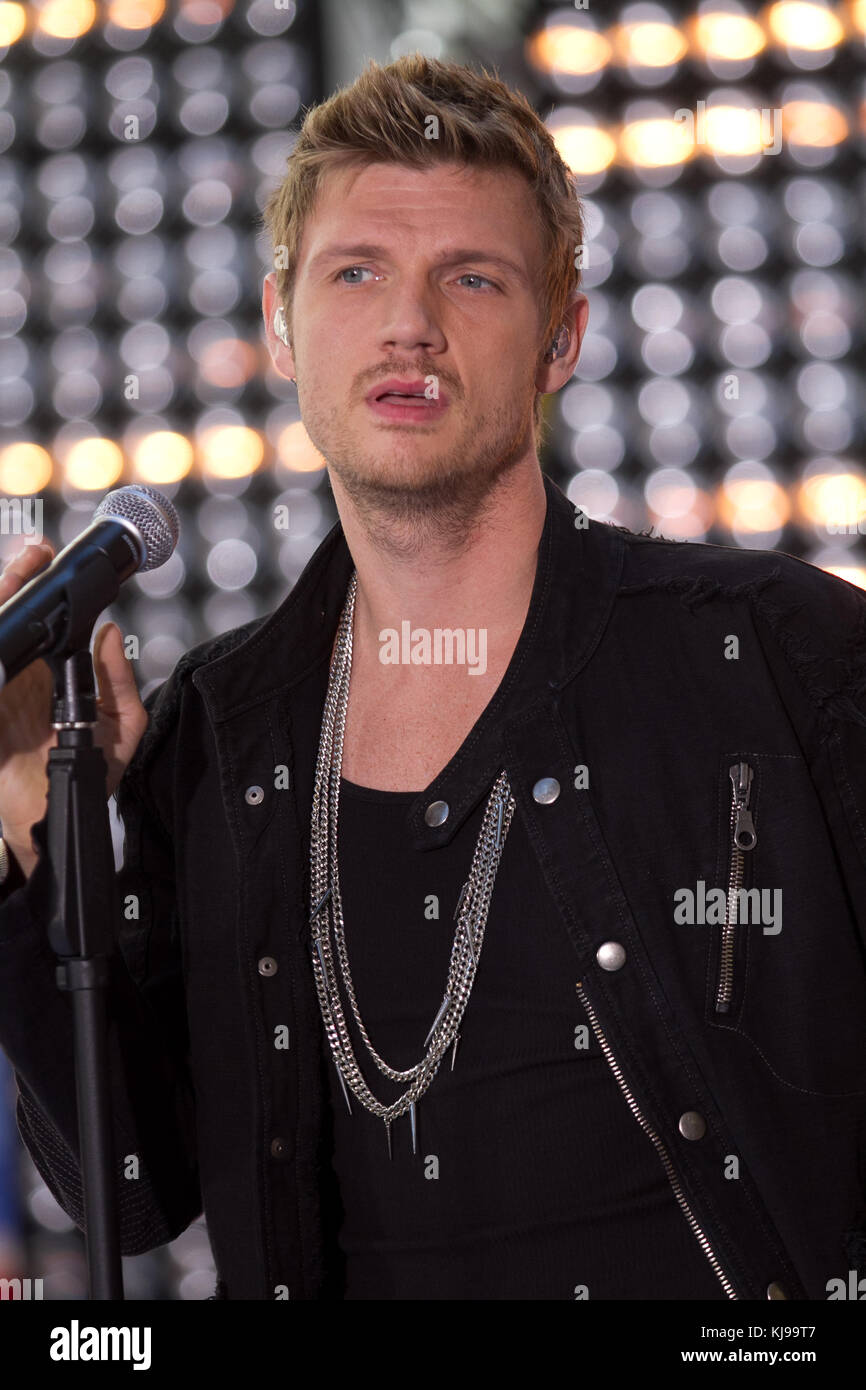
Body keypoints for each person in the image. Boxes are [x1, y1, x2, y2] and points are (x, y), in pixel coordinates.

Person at [0, 54, 865, 1302]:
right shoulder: (221, 738)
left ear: (559, 337)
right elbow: (131, 1186)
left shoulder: (784, 661)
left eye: (470, 276)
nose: (410, 323)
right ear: (282, 325)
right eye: (357, 273)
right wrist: (32, 806)